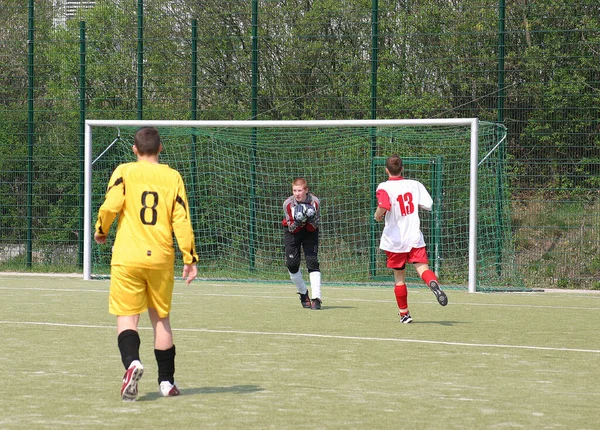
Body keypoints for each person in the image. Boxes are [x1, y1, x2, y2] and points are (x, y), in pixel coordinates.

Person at [94, 126, 198, 401]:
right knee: (161, 319)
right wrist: (189, 257)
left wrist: (101, 229)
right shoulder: (173, 176)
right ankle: (166, 382)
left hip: (128, 257)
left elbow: (111, 205)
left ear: (135, 150)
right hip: (161, 257)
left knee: (128, 317)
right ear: (160, 149)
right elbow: (181, 219)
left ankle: (132, 364)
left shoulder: (124, 171)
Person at [374, 154, 447, 323]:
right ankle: (433, 284)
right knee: (423, 270)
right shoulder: (415, 185)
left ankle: (404, 314)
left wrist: (377, 216)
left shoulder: (384, 186)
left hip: (395, 241)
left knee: (399, 279)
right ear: (402, 169)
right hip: (414, 236)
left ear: (386, 170)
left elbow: (384, 205)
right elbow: (428, 204)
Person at [282, 177, 322, 310]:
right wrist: (298, 221)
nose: (297, 193)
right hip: (293, 231)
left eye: (299, 190)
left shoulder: (315, 202)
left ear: (306, 190)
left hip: (310, 231)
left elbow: (315, 225)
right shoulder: (288, 203)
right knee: (292, 264)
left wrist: (309, 218)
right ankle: (303, 293)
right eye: (294, 190)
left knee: (312, 261)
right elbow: (291, 228)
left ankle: (316, 298)